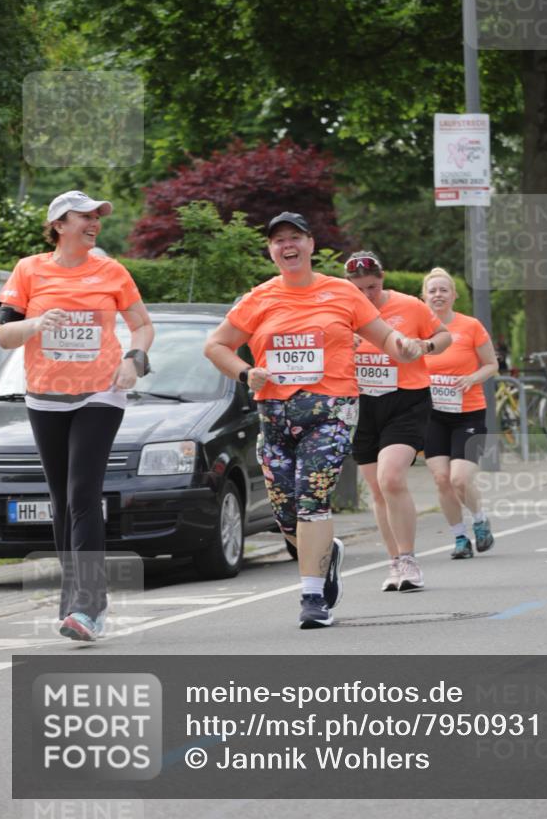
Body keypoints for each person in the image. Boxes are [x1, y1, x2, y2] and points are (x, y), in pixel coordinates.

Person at [204, 212, 428, 629]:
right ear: (270, 251)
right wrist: (244, 372)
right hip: (274, 416)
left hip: (330, 413)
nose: (287, 246)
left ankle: (312, 599)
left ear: (309, 244)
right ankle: (327, 555)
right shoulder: (259, 298)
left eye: (295, 238)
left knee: (312, 503)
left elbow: (385, 338)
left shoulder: (342, 293)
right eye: (278, 241)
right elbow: (215, 345)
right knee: (287, 516)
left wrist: (406, 347)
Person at [0, 191, 153, 641]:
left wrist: (134, 360)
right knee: (61, 499)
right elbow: (4, 334)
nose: (94, 223)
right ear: (59, 224)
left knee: (83, 493)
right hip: (44, 396)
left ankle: (85, 606)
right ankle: (81, 603)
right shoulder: (29, 270)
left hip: (100, 393)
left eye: (97, 217)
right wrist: (37, 325)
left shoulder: (112, 271)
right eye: (84, 216)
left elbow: (142, 324)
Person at [344, 251, 451, 592]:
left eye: (373, 287)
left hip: (406, 400)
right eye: (359, 289)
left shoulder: (409, 305)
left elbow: (444, 336)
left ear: (383, 278)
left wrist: (425, 346)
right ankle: (394, 563)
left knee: (391, 478)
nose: (367, 296)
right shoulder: (341, 310)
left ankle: (409, 559)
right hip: (361, 405)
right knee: (377, 489)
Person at [421, 267, 498, 559]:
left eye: (443, 290)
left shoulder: (471, 326)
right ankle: (460, 538)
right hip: (433, 416)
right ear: (424, 297)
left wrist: (472, 378)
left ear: (453, 295)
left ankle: (479, 520)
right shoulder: (417, 329)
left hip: (469, 413)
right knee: (441, 479)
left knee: (459, 479)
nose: (438, 295)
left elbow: (492, 364)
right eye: (432, 291)